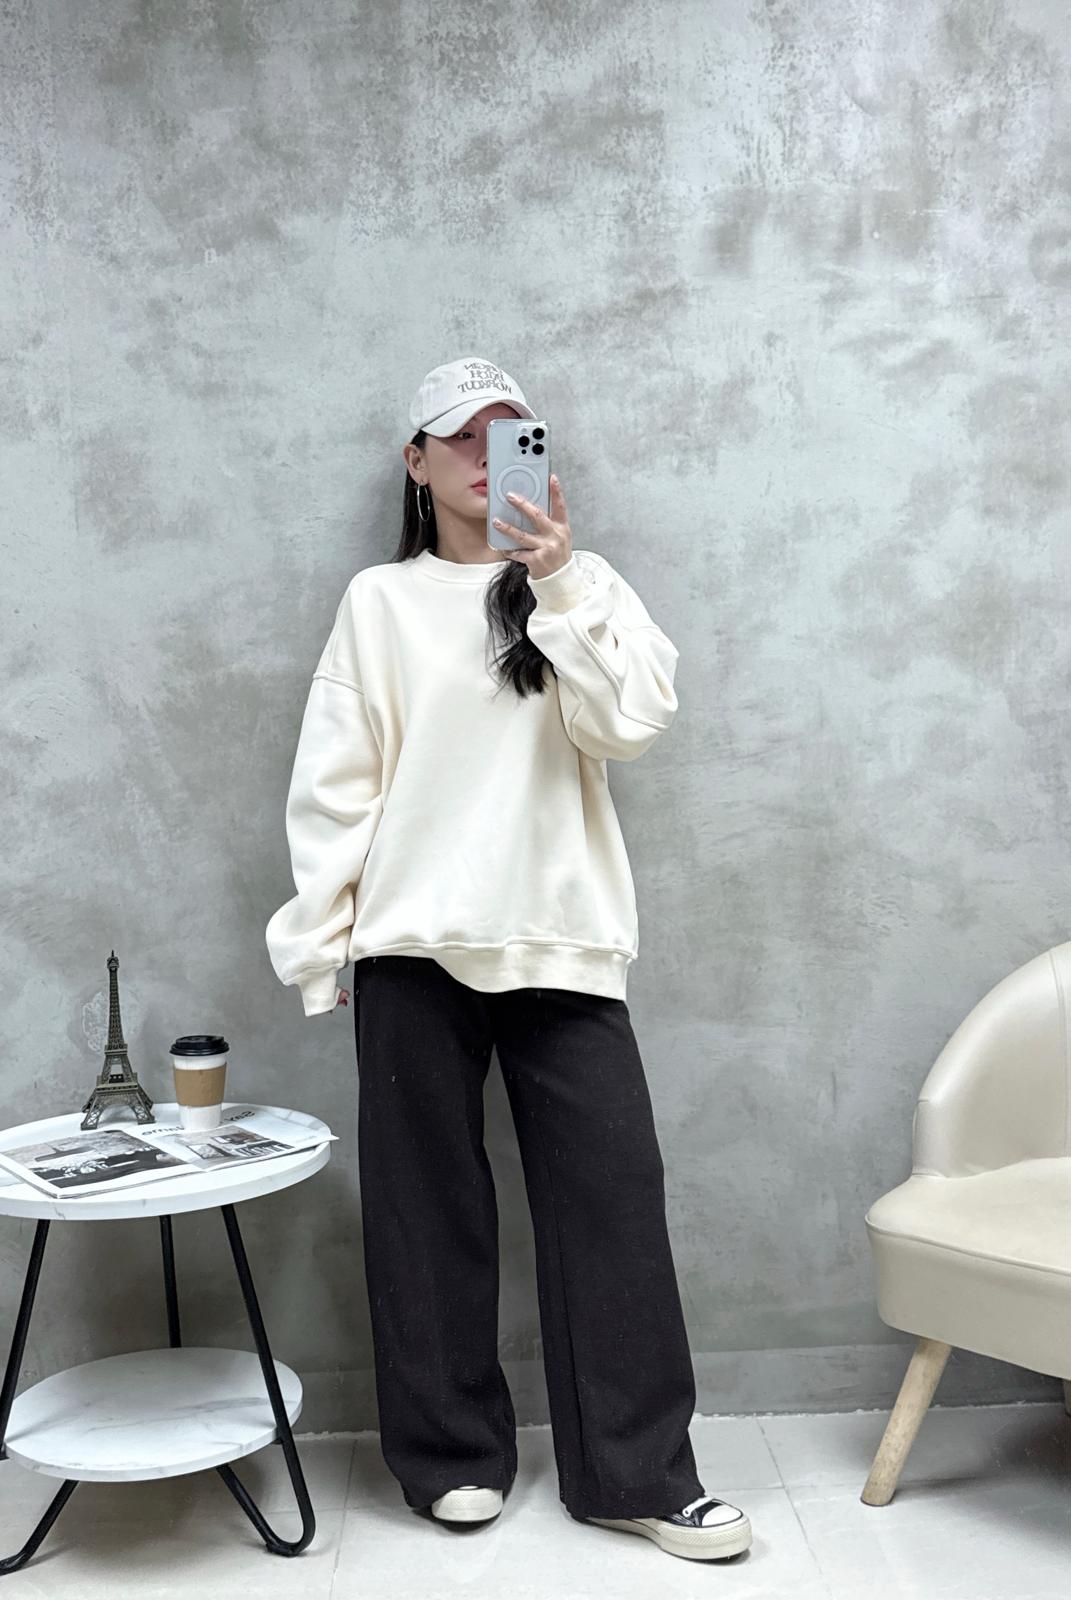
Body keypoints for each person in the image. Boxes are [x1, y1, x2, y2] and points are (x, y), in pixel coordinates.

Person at [265, 357, 753, 1563]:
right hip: (411, 944)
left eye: (511, 432)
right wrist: (323, 945)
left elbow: (631, 724)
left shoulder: (582, 584)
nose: (489, 454)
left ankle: (639, 1473)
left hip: (562, 938)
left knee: (612, 1209)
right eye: (462, 437)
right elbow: (336, 786)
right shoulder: (379, 602)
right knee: (424, 1212)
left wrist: (560, 579)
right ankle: (451, 1458)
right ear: (416, 461)